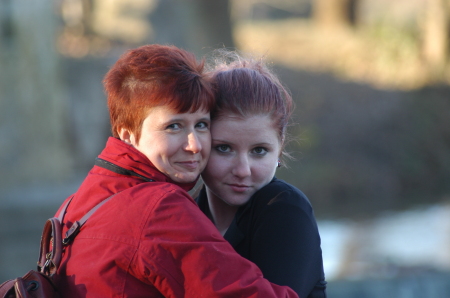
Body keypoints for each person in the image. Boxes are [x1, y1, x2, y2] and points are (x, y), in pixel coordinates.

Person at [53, 44, 299, 298]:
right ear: (128, 135)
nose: (194, 145)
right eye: (173, 127)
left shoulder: (73, 206)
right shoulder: (158, 209)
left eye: (201, 124)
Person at [196, 52, 327, 298]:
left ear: (280, 147)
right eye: (224, 148)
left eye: (259, 151)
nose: (243, 170)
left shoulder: (284, 209)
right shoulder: (185, 214)